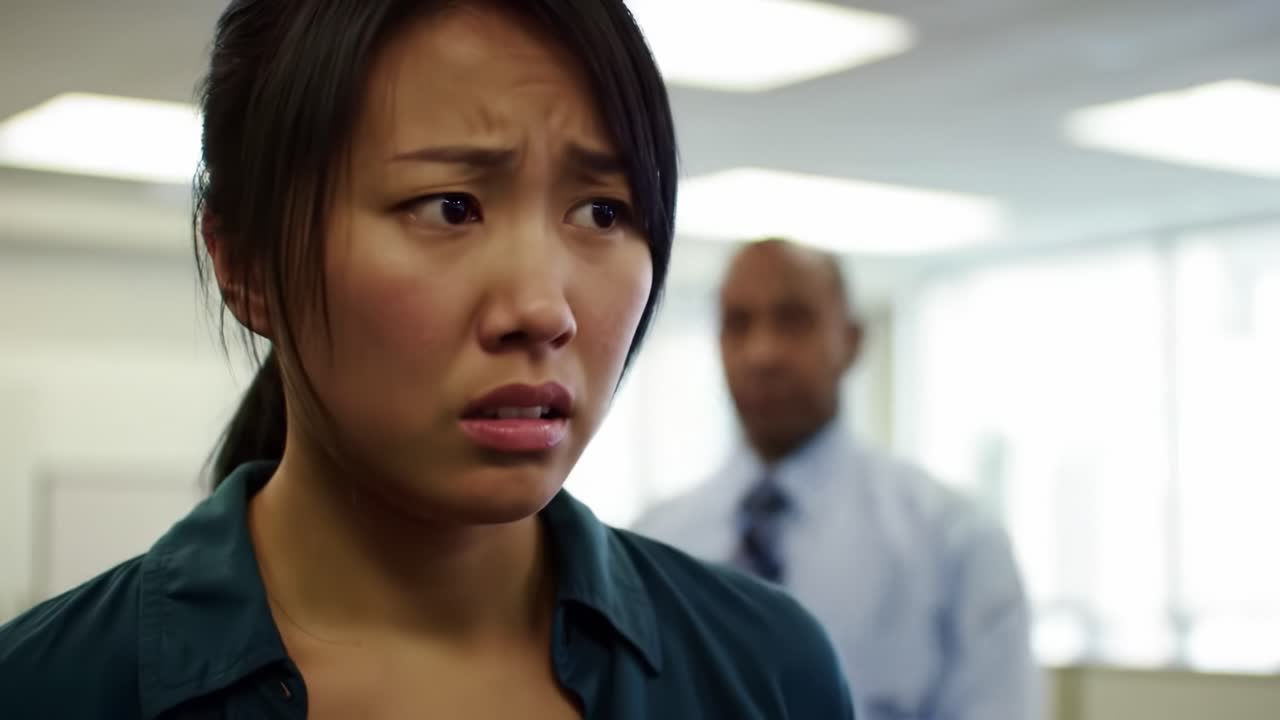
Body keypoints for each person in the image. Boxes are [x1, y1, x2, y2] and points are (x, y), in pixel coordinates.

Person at [0, 4, 857, 718]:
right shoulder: (50, 689)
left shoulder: (763, 671)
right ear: (248, 265)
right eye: (450, 207)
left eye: (601, 213)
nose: (543, 309)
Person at [634, 238, 1041, 720]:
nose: (762, 353)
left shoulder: (955, 540)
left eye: (793, 321)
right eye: (737, 324)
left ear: (851, 341)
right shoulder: (653, 545)